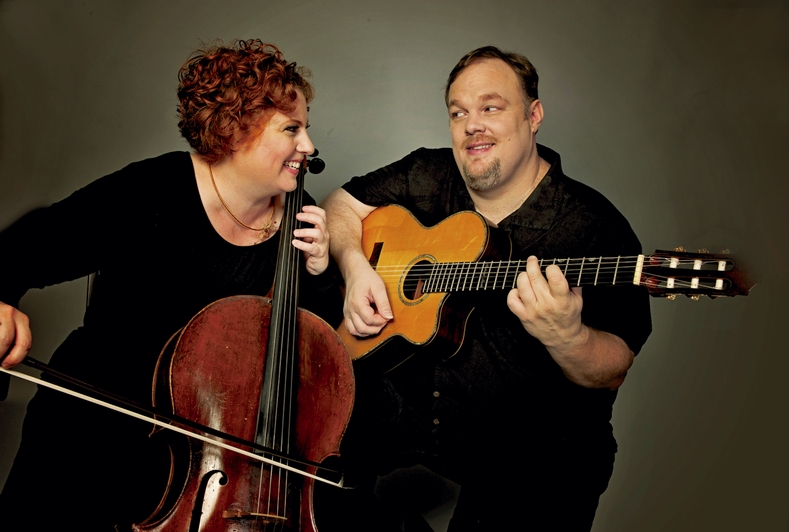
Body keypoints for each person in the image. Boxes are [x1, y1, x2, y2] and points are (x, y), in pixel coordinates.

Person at [0, 39, 342, 529]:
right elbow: (22, 250)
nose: (308, 146)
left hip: (196, 464)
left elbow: (314, 363)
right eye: (292, 129)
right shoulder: (150, 191)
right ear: (233, 130)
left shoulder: (299, 223)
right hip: (86, 435)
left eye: (305, 128)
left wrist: (320, 271)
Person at [317, 46, 653, 531]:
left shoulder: (594, 226)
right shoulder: (427, 172)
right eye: (459, 113)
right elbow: (340, 205)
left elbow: (614, 366)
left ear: (533, 116)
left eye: (490, 108)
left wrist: (567, 337)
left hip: (532, 466)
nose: (472, 125)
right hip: (401, 432)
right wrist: (355, 269)